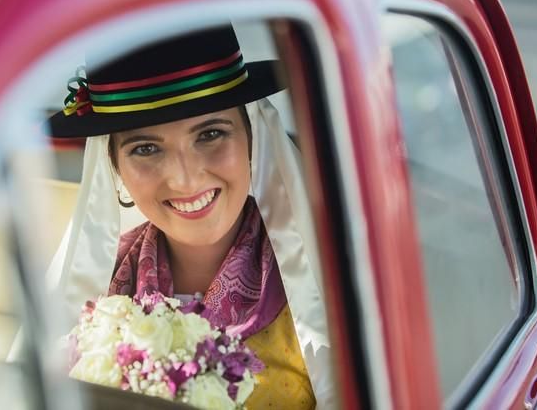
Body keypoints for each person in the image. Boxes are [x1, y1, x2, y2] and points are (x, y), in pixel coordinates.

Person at [46, 25, 333, 409]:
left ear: (252, 139)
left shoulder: (323, 287)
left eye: (210, 134)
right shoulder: (99, 294)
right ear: (114, 167)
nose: (184, 178)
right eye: (146, 148)